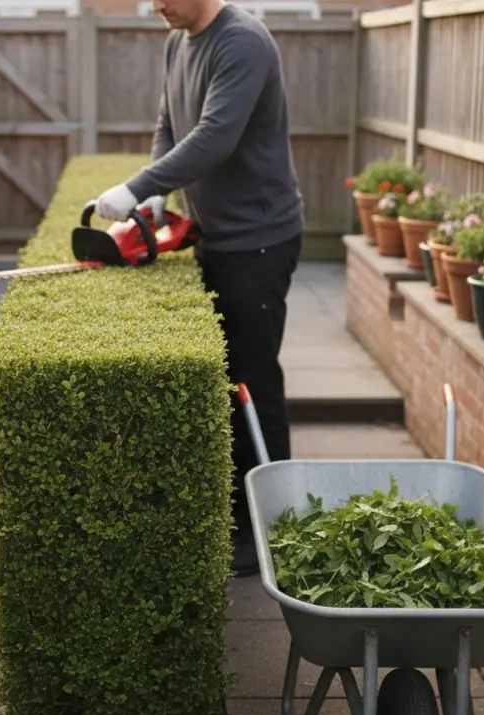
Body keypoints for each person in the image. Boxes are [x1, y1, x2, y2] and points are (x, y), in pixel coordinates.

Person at [93, 0, 304, 577]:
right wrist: (158, 193)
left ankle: (270, 535)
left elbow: (215, 137)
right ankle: (238, 519)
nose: (154, 4)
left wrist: (136, 185)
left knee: (253, 385)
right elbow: (171, 126)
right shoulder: (177, 39)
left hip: (258, 242)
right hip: (214, 235)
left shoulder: (243, 42)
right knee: (225, 384)